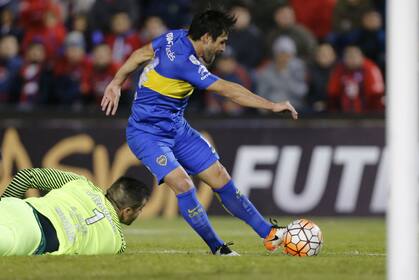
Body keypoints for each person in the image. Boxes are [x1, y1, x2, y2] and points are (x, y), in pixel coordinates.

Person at [101, 9, 298, 256]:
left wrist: (116, 82)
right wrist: (271, 105)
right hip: (146, 134)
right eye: (222, 42)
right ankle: (218, 248)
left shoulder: (175, 37)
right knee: (183, 185)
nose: (223, 49)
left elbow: (141, 54)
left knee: (219, 176)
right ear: (206, 37)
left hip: (176, 128)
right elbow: (229, 90)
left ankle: (269, 234)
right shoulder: (185, 63)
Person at [0, 168, 151, 256]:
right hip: (32, 236)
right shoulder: (118, 243)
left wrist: (4, 204)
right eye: (140, 209)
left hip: (19, 206)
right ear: (127, 211)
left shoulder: (80, 182)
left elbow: (27, 176)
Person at [257, 36, 308, 112]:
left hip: (295, 109)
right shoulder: (267, 71)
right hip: (273, 111)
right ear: (276, 55)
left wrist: (285, 75)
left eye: (288, 55)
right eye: (281, 54)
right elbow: (261, 95)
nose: (284, 58)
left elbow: (302, 92)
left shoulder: (298, 68)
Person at [327, 45, 384, 113]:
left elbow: (376, 94)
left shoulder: (371, 69)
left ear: (362, 57)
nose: (352, 59)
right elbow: (333, 93)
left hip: (368, 113)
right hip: (343, 114)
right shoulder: (339, 70)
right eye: (348, 57)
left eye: (354, 56)